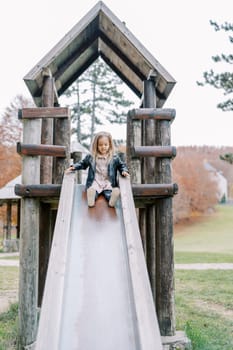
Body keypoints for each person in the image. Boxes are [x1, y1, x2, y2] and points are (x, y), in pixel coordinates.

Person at [66, 131, 129, 207]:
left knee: (108, 193)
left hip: (108, 182)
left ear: (110, 145)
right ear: (96, 146)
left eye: (106, 145)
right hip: (95, 181)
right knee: (93, 190)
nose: (103, 147)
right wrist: (74, 167)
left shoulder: (114, 158)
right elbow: (83, 164)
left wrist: (124, 171)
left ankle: (112, 200)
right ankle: (91, 199)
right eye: (100, 145)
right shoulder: (91, 157)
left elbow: (121, 165)